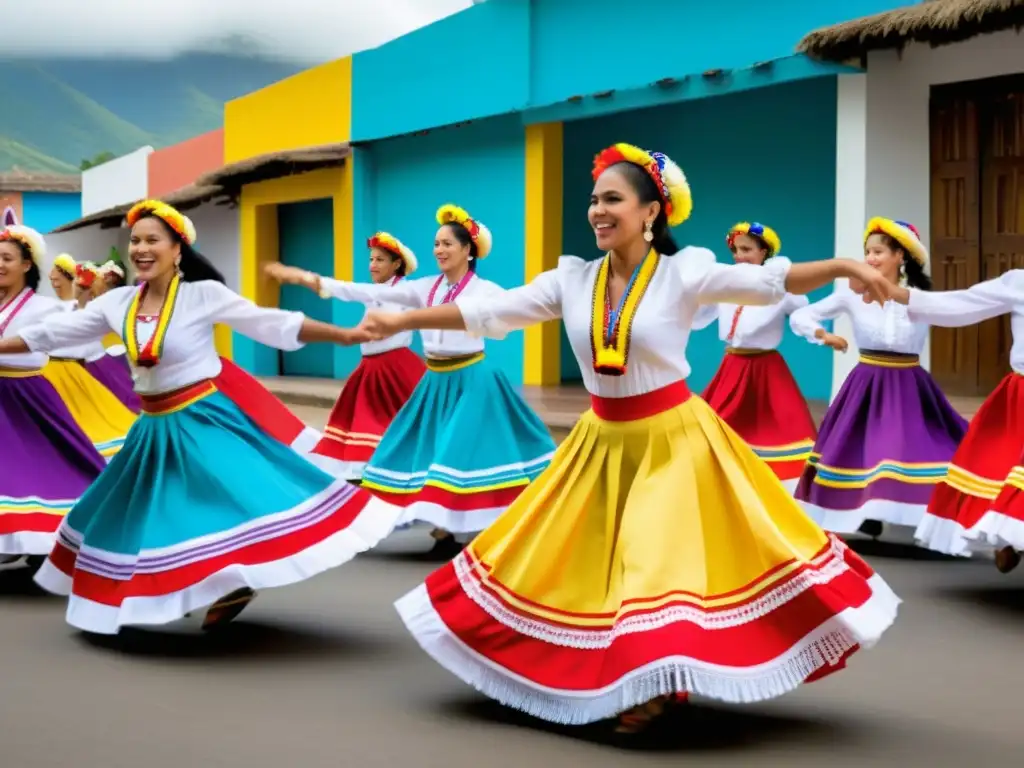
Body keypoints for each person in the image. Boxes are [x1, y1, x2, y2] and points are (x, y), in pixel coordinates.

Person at [358, 142, 900, 735]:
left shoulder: (684, 269)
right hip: (601, 441)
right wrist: (405, 319)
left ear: (651, 213)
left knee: (657, 564)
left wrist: (848, 266)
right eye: (594, 200)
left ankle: (659, 683)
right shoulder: (571, 278)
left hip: (674, 441)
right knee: (573, 560)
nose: (597, 210)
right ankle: (609, 671)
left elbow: (770, 281)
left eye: (612, 199)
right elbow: (492, 314)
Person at [0, 199, 402, 634]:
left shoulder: (201, 295)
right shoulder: (116, 304)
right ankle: (172, 591)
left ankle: (231, 581)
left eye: (153, 240)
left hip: (201, 416)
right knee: (145, 512)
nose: (140, 249)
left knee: (224, 498)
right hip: (152, 427)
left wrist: (341, 334)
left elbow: (270, 322)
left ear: (178, 249)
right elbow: (50, 334)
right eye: (135, 241)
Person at [267, 204, 555, 559]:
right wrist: (312, 281)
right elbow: (371, 293)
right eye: (436, 244)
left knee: (461, 454)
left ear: (468, 250)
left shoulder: (487, 290)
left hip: (472, 380)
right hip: (436, 381)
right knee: (423, 452)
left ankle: (465, 529)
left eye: (448, 243)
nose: (440, 250)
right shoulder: (424, 288)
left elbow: (503, 322)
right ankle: (445, 527)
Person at [789, 218, 967, 538]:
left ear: (901, 256)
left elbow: (958, 311)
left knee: (914, 446)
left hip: (908, 384)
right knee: (862, 446)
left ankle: (924, 512)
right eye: (868, 252)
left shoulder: (918, 298)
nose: (870, 258)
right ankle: (866, 508)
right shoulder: (850, 296)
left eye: (879, 251)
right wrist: (821, 335)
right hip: (867, 384)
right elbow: (804, 314)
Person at [882, 270, 1024, 571]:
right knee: (1002, 468)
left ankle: (1010, 536)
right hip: (1020, 396)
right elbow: (965, 303)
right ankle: (1006, 537)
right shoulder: (1020, 282)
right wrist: (902, 295)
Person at [269, 232, 425, 480]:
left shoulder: (408, 291)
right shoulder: (375, 290)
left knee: (408, 419)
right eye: (372, 259)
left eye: (380, 260)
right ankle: (367, 467)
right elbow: (344, 289)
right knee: (367, 417)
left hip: (396, 366)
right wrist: (301, 277)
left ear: (397, 264)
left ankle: (402, 466)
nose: (373, 265)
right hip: (372, 367)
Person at [0, 225, 107, 571]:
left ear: (27, 265)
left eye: (7, 258)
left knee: (45, 470)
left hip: (25, 396)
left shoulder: (46, 309)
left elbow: (78, 342)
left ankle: (54, 536)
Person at [692, 222, 817, 490]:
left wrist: (817, 332)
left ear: (764, 252)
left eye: (747, 249)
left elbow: (802, 313)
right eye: (736, 250)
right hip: (733, 366)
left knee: (781, 424)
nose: (739, 256)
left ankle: (782, 488)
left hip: (765, 369)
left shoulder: (780, 288)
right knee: (716, 422)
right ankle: (721, 483)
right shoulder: (727, 285)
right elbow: (700, 314)